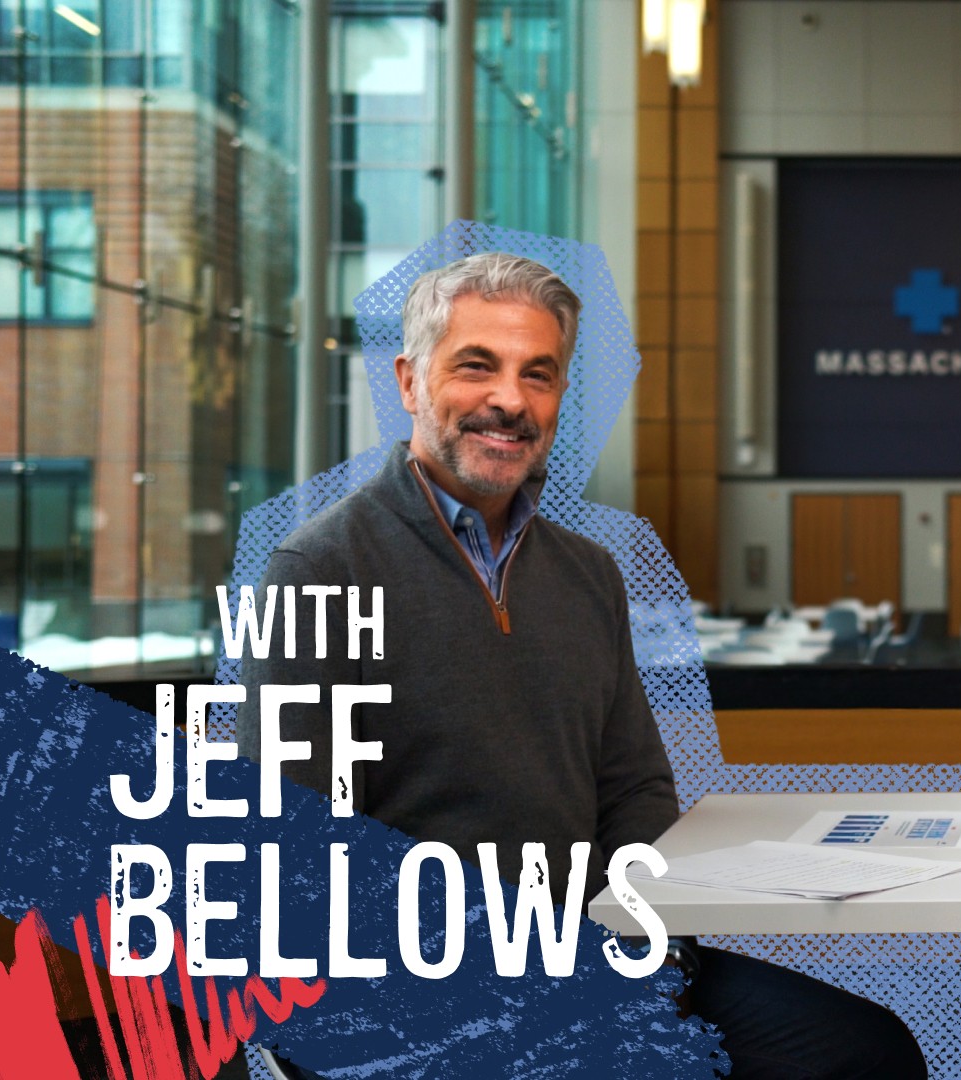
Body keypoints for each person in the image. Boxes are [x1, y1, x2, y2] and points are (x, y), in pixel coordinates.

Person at [239, 252, 925, 1079]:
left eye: (540, 374)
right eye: (476, 366)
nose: (510, 400)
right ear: (410, 381)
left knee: (862, 1055)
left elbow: (634, 788)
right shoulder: (317, 570)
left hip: (595, 951)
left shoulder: (587, 571)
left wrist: (639, 944)